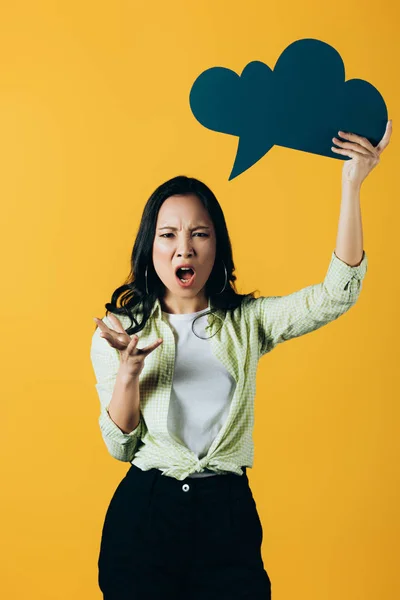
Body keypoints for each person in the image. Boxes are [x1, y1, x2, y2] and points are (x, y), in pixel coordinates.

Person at [90, 122, 391, 600]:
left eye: (199, 234)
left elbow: (336, 294)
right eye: (168, 234)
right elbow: (120, 448)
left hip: (225, 515)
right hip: (145, 517)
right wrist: (128, 371)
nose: (184, 247)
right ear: (151, 248)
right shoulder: (120, 330)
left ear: (217, 248)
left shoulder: (247, 322)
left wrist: (351, 185)